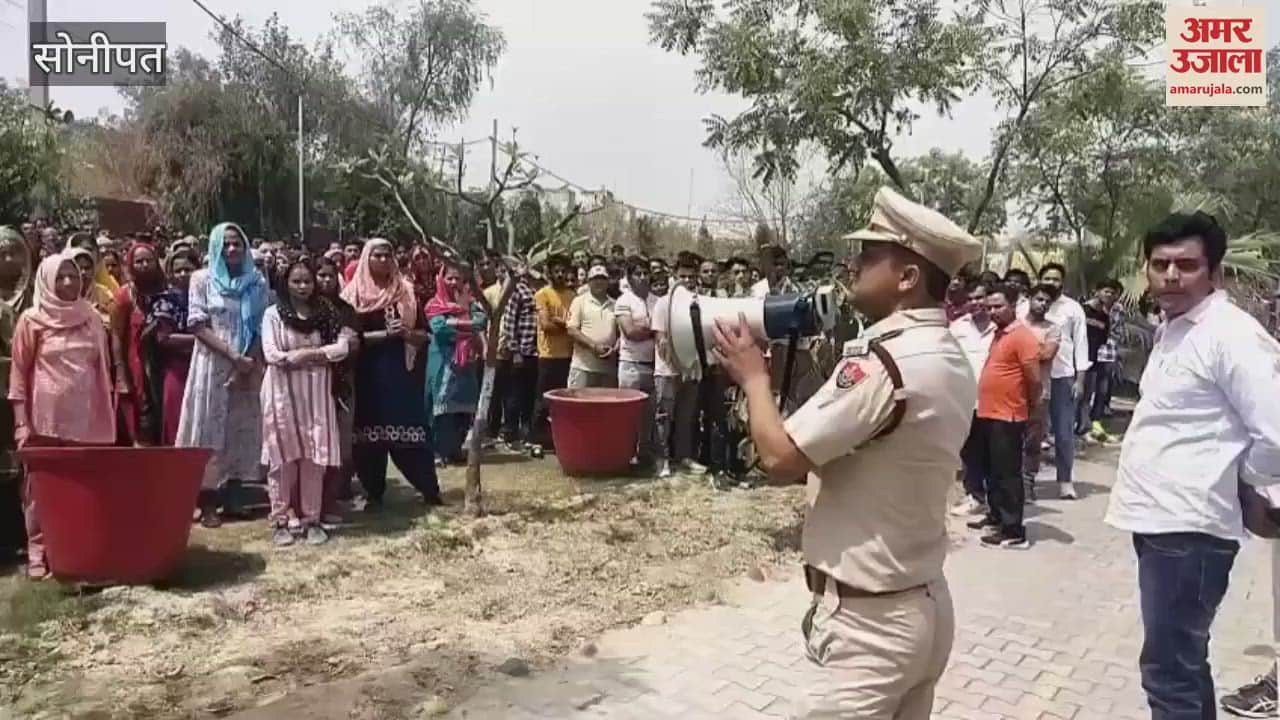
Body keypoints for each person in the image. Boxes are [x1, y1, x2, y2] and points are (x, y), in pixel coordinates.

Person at [713, 185, 981, 718]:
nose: (854, 263)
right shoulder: (946, 352)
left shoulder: (885, 363)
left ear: (907, 279)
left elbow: (781, 459)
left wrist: (754, 378)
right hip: (923, 605)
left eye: (871, 254)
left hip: (872, 629)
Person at [1105, 211, 1280, 720]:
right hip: (1162, 523)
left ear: (1215, 274)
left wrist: (1243, 486)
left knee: (1168, 673)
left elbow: (1275, 433)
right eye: (1160, 264)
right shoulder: (1176, 330)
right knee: (1183, 664)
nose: (1171, 276)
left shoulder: (1231, 336)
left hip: (1191, 529)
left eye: (1187, 265)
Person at [11, 253, 116, 579]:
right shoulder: (31, 320)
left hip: (86, 420)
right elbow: (18, 374)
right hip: (44, 420)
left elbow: (103, 369)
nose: (69, 282)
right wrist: (21, 422)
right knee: (40, 491)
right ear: (46, 280)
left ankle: (76, 550)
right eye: (61, 277)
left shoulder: (91, 318)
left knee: (82, 489)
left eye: (73, 276)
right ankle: (38, 553)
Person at [176, 223, 269, 528]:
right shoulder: (202, 279)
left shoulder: (257, 282)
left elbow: (262, 324)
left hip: (247, 365)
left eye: (237, 244)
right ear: (216, 247)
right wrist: (231, 356)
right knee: (208, 429)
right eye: (226, 244)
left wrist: (248, 361)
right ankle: (207, 500)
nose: (232, 250)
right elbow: (197, 324)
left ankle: (235, 495)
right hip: (212, 364)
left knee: (241, 429)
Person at [260, 260, 354, 546]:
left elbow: (342, 347)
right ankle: (280, 519)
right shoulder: (273, 314)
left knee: (315, 456)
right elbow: (272, 354)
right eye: (296, 281)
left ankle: (312, 519)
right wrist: (313, 355)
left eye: (308, 281)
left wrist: (306, 355)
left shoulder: (326, 313)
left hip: (317, 394)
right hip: (282, 395)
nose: (303, 287)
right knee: (283, 455)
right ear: (285, 283)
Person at [342, 239, 441, 508]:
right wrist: (384, 335)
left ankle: (429, 489)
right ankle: (373, 492)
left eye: (388, 256)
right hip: (366, 375)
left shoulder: (406, 293)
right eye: (378, 256)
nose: (384, 261)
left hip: (401, 374)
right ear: (366, 259)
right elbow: (349, 338)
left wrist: (406, 334)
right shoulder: (352, 297)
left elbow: (425, 336)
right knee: (367, 439)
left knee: (411, 434)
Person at [963, 284, 1041, 549]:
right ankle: (996, 517)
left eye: (999, 306)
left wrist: (1030, 409)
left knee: (1007, 474)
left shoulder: (1023, 337)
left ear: (1013, 305)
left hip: (1008, 415)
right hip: (988, 412)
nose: (993, 311)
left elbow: (1033, 380)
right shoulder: (1000, 335)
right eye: (990, 306)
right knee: (992, 470)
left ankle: (1013, 530)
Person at [1026, 262, 1090, 499]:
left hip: (1063, 376)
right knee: (1031, 432)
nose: (1051, 283)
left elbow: (1081, 344)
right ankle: (1027, 483)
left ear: (1062, 282)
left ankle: (1065, 481)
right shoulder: (1028, 305)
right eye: (1047, 278)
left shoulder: (1073, 309)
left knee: (1064, 431)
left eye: (1055, 279)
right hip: (1032, 376)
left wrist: (1080, 380)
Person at [425, 263, 487, 464]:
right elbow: (440, 330)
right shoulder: (434, 304)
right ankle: (438, 451)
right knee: (441, 409)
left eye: (457, 278)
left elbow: (481, 322)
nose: (453, 282)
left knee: (463, 408)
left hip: (466, 364)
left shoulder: (471, 303)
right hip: (443, 362)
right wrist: (467, 327)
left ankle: (454, 449)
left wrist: (454, 323)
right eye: (449, 278)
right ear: (441, 279)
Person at [314, 257, 359, 522]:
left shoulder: (346, 310)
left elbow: (352, 344)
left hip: (341, 382)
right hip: (309, 382)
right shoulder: (304, 311)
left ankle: (336, 492)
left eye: (331, 275)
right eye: (321, 275)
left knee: (341, 440)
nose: (326, 280)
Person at [112, 243, 168, 445]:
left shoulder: (166, 291)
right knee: (141, 415)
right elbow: (117, 335)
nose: (144, 265)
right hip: (136, 365)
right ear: (131, 265)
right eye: (139, 261)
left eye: (148, 260)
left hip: (164, 363)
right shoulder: (124, 296)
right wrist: (120, 374)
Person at [949, 280, 995, 516]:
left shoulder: (1000, 328)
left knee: (992, 452)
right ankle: (975, 496)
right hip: (966, 399)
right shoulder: (957, 328)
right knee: (970, 451)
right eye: (972, 298)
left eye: (981, 297)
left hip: (995, 401)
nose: (976, 303)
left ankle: (996, 501)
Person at [0, 228, 31, 561]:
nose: (8, 260)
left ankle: (25, 533)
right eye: (2, 254)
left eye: (13, 252)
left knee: (22, 461)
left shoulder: (36, 295)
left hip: (26, 392)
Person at [150, 248, 198, 447]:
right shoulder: (165, 301)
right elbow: (164, 338)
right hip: (177, 370)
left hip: (204, 369)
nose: (183, 275)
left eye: (188, 269)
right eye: (178, 270)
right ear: (170, 273)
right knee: (176, 423)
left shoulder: (208, 298)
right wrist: (203, 340)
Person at [614, 257, 658, 469]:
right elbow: (630, 332)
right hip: (630, 365)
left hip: (653, 365)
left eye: (645, 273)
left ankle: (645, 454)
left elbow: (663, 334)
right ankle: (624, 454)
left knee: (649, 415)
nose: (642, 277)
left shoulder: (657, 301)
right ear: (629, 278)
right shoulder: (624, 301)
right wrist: (653, 330)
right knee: (628, 413)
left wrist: (646, 328)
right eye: (637, 273)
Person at [530, 254, 576, 453]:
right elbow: (546, 325)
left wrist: (561, 322)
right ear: (548, 273)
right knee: (543, 400)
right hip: (548, 356)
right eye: (556, 271)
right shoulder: (542, 294)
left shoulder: (573, 296)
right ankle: (537, 440)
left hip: (569, 356)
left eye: (562, 271)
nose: (559, 274)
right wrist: (566, 325)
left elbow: (576, 325)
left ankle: (557, 438)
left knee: (564, 400)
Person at [1020, 285, 1060, 502]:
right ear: (1030, 299)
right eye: (1039, 299)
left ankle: (1028, 485)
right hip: (1013, 391)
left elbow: (1047, 354)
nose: (1042, 304)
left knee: (1033, 441)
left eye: (1047, 301)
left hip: (1039, 393)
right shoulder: (1017, 325)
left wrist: (1020, 351)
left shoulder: (1052, 329)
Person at [499, 265, 538, 448]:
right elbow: (509, 322)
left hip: (536, 351)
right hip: (520, 351)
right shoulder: (516, 289)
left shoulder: (536, 288)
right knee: (514, 395)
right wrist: (515, 351)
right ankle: (510, 433)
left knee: (529, 395)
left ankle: (526, 433)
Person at [1077, 278, 1120, 435]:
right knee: (1076, 394)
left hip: (1095, 359)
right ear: (1097, 292)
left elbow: (1104, 338)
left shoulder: (1104, 316)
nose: (1108, 294)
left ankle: (1083, 426)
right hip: (1079, 358)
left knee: (1088, 394)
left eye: (1111, 292)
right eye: (1105, 291)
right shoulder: (1082, 310)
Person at [567, 265, 618, 389]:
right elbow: (572, 330)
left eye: (602, 278)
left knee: (606, 407)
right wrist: (593, 346)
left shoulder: (615, 304)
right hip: (582, 367)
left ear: (608, 282)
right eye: (595, 279)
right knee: (578, 406)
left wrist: (615, 349)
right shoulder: (579, 301)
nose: (599, 282)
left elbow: (621, 334)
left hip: (608, 369)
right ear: (589, 282)